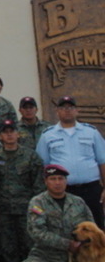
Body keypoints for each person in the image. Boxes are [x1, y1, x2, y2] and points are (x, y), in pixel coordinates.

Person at [20, 164, 94, 262]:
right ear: (46, 182)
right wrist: (67, 244)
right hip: (46, 257)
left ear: (66, 181)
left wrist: (82, 244)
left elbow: (91, 228)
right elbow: (37, 233)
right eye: (53, 179)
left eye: (61, 178)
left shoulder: (78, 202)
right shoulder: (38, 202)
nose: (57, 182)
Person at [0, 120, 44, 262]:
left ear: (18, 134)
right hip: (4, 212)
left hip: (26, 211)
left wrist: (36, 210)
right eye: (5, 132)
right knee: (9, 251)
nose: (9, 135)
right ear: (0, 136)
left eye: (12, 131)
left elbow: (38, 185)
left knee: (29, 248)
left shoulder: (31, 156)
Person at [36, 95, 105, 228]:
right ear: (57, 111)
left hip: (91, 190)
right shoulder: (47, 135)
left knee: (95, 228)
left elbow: (103, 160)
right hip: (63, 190)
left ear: (77, 110)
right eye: (63, 107)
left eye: (70, 107)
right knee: (66, 229)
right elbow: (43, 166)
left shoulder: (91, 132)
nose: (67, 110)